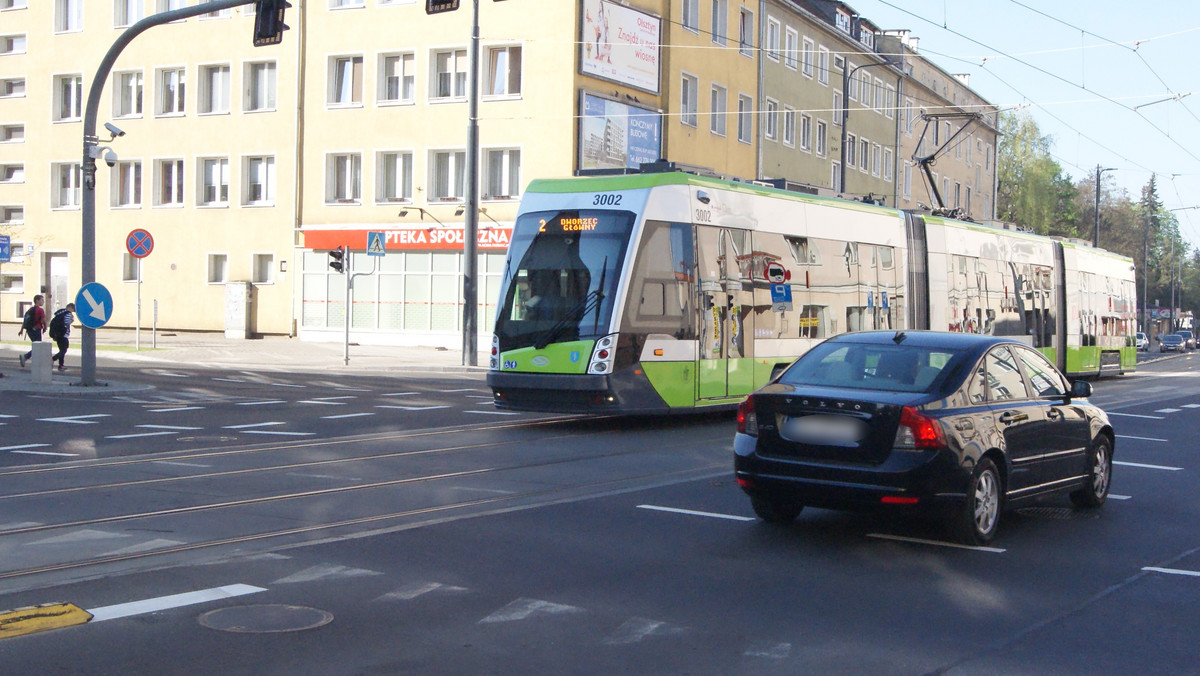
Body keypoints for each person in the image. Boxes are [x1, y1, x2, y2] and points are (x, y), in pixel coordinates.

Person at [18, 294, 47, 368]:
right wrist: (45, 327)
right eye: (42, 300)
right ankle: (25, 357)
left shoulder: (30, 310)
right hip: (36, 329)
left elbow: (25, 320)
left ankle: (28, 358)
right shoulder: (40, 310)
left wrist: (21, 330)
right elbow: (43, 320)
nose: (43, 301)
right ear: (37, 300)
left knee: (36, 346)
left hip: (29, 330)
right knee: (38, 347)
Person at [48, 302, 75, 372]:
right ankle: (53, 359)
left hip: (58, 334)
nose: (73, 310)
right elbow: (66, 323)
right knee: (64, 350)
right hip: (63, 334)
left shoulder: (59, 314)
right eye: (73, 309)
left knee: (61, 350)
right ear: (70, 307)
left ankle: (61, 365)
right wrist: (72, 319)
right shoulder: (68, 314)